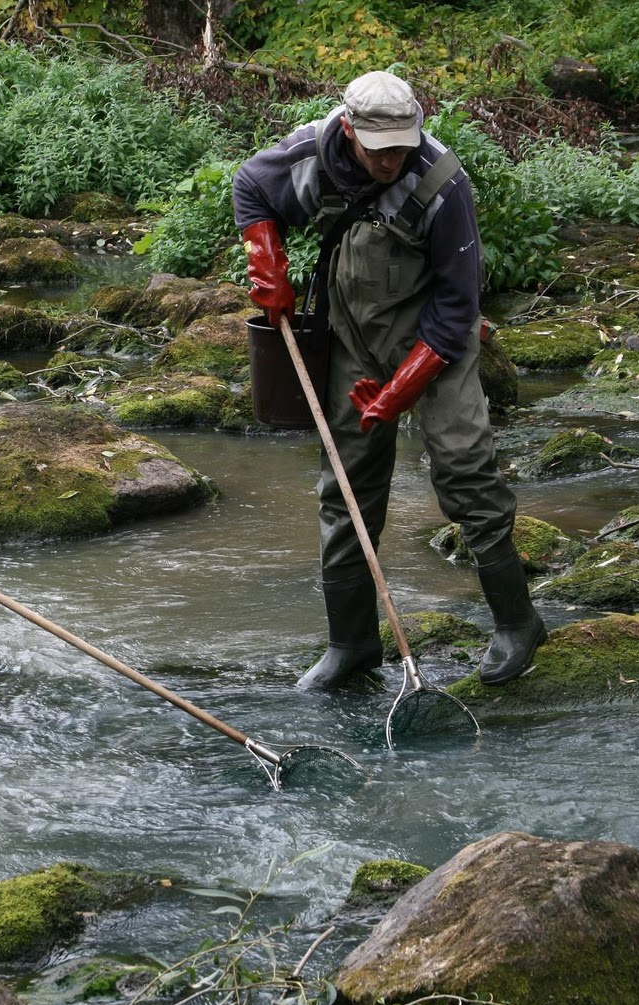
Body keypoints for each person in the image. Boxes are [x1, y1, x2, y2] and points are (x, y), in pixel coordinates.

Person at [232, 70, 544, 689]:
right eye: (379, 150)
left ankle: (517, 622)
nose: (392, 159)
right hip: (353, 339)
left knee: (465, 470)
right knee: (346, 489)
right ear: (348, 131)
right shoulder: (310, 156)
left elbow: (458, 310)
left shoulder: (441, 183)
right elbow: (250, 187)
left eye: (402, 145)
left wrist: (400, 391)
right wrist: (267, 263)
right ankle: (351, 644)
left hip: (437, 344)